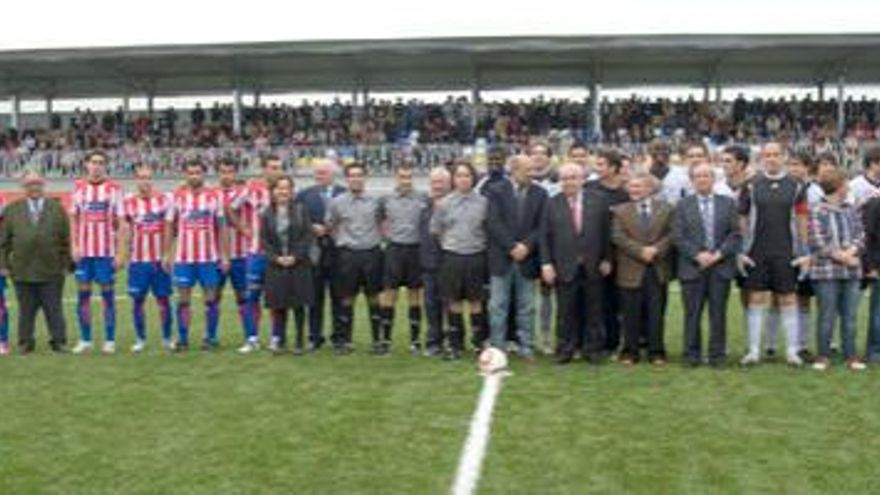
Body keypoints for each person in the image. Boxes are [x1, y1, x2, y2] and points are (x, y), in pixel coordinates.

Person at [738, 142, 810, 366]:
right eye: (767, 154)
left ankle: (791, 351)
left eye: (776, 154)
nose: (771, 158)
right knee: (756, 298)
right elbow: (742, 217)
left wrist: (805, 250)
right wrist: (742, 249)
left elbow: (801, 219)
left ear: (784, 157)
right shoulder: (750, 185)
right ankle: (753, 351)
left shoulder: (797, 186)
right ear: (761, 158)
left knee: (788, 298)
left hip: (786, 251)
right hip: (757, 251)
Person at [540, 162, 611, 364]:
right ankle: (565, 349)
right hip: (564, 266)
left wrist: (607, 258)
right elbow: (544, 237)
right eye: (564, 178)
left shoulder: (599, 200)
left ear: (582, 179)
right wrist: (546, 264)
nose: (569, 182)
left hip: (593, 265)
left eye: (573, 177)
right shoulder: (551, 203)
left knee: (594, 310)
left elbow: (607, 233)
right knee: (565, 312)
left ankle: (593, 350)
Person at [672, 163, 741, 367]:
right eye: (698, 176)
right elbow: (678, 236)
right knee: (692, 314)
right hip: (692, 268)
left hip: (720, 267)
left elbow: (735, 234)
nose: (702, 179)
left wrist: (718, 254)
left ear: (713, 179)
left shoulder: (727, 203)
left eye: (706, 176)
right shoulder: (682, 205)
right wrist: (698, 255)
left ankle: (717, 355)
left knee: (718, 314)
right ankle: (691, 354)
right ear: (692, 181)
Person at [0, 170, 71, 354]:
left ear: (43, 185)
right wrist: (3, 266)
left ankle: (58, 341)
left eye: (37, 183)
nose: (34, 187)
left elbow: (66, 239)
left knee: (53, 308)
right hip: (22, 269)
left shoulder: (56, 208)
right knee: (26, 310)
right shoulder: (12, 210)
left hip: (52, 269)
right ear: (23, 187)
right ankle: (25, 343)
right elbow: (3, 243)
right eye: (30, 184)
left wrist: (66, 264)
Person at [164, 161, 230, 352]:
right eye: (191, 173)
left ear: (203, 174)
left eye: (197, 173)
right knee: (184, 300)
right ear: (186, 175)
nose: (194, 176)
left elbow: (222, 226)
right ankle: (183, 340)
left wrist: (225, 256)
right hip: (184, 259)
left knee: (210, 300)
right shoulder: (176, 197)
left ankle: (210, 338)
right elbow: (169, 225)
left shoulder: (214, 196)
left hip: (208, 258)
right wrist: (166, 254)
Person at [486, 155, 547, 358]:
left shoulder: (540, 193)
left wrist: (526, 246)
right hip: (502, 258)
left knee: (527, 306)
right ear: (513, 169)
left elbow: (542, 226)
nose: (532, 174)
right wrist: (512, 246)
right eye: (527, 170)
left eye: (533, 170)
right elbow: (493, 223)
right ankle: (497, 347)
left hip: (527, 259)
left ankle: (526, 346)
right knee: (498, 306)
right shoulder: (495, 191)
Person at [612, 171, 673, 366]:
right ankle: (630, 351)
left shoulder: (666, 209)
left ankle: (656, 351)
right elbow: (617, 236)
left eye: (638, 186)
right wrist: (641, 251)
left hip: (657, 269)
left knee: (656, 313)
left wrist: (655, 249)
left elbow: (672, 234)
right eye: (631, 186)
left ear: (649, 188)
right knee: (630, 313)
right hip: (631, 268)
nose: (634, 190)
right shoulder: (620, 211)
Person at [808, 169, 867, 371]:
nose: (849, 186)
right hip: (826, 271)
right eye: (846, 183)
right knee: (827, 315)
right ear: (838, 186)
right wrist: (843, 257)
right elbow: (818, 241)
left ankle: (851, 355)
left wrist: (852, 252)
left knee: (850, 316)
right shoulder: (817, 210)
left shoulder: (851, 209)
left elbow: (861, 235)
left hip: (851, 271)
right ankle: (823, 356)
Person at [431, 162, 489, 360]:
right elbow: (437, 231)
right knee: (453, 301)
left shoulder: (483, 202)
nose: (463, 179)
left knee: (476, 302)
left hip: (476, 256)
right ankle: (455, 345)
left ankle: (479, 343)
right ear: (453, 179)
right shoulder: (444, 204)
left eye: (467, 175)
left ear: (473, 178)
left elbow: (487, 230)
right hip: (452, 256)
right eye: (459, 175)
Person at [325, 163, 385, 355]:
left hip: (371, 254)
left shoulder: (376, 202)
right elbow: (331, 226)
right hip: (348, 255)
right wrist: (343, 241)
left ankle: (377, 341)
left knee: (374, 297)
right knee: (346, 298)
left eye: (360, 175)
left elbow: (383, 223)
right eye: (352, 176)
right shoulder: (337, 202)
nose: (356, 179)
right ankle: (345, 341)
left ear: (365, 178)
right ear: (347, 179)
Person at [70, 150, 124, 354]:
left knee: (107, 296)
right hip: (84, 253)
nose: (97, 166)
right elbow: (73, 218)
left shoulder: (114, 189)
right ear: (87, 164)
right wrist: (73, 245)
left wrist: (120, 253)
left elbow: (121, 224)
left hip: (105, 252)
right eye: (94, 162)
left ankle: (109, 340)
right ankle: (85, 339)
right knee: (83, 295)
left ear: (105, 166)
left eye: (101, 162)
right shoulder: (78, 188)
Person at [117, 164, 173, 353]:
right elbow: (124, 231)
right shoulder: (128, 202)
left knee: (163, 300)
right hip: (138, 262)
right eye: (141, 177)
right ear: (136, 180)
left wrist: (167, 254)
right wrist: (123, 255)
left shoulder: (164, 200)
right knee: (137, 301)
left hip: (159, 261)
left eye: (148, 177)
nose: (145, 181)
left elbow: (168, 229)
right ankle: (140, 339)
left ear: (152, 179)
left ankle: (166, 338)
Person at [231, 155, 283, 354]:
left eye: (278, 167)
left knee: (276, 299)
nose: (276, 171)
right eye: (272, 167)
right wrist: (242, 227)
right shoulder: (251, 188)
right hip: (255, 253)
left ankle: (276, 338)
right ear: (264, 169)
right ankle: (251, 338)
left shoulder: (285, 191)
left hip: (278, 255)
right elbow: (230, 207)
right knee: (251, 297)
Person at [378, 165, 430, 354]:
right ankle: (386, 341)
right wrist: (384, 238)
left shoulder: (423, 198)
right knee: (389, 294)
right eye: (402, 177)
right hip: (394, 249)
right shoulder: (385, 200)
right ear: (396, 178)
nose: (406, 181)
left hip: (415, 250)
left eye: (409, 177)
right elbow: (377, 220)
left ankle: (415, 341)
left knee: (415, 295)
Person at [260, 176, 315, 354]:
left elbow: (307, 237)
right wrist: (276, 258)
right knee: (279, 304)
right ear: (273, 191)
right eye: (279, 188)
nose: (282, 192)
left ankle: (300, 341)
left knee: (299, 304)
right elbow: (264, 240)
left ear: (292, 191)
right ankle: (281, 340)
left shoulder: (301, 210)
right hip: (276, 265)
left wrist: (295, 257)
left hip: (298, 264)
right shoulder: (266, 213)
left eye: (286, 188)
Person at [296, 159, 346, 351]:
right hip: (314, 254)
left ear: (333, 174)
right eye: (317, 172)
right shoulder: (303, 196)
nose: (319, 176)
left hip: (338, 253)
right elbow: (297, 222)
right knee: (314, 298)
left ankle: (339, 337)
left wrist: (334, 228)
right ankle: (315, 337)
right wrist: (311, 228)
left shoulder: (344, 193)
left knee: (338, 297)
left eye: (323, 172)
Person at [585, 148, 629, 356]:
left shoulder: (626, 193)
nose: (597, 168)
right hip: (596, 254)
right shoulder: (589, 188)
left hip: (622, 254)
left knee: (618, 301)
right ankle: (597, 342)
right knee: (597, 301)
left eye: (601, 164)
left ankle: (616, 342)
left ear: (613, 168)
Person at [216, 159, 253, 349]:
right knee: (213, 297)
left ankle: (250, 338)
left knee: (243, 297)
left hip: (240, 254)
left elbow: (229, 209)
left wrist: (244, 230)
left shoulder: (243, 191)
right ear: (218, 173)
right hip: (216, 255)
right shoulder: (211, 194)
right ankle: (211, 338)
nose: (227, 175)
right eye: (223, 171)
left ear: (235, 173)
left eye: (230, 171)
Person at [528, 141, 558, 355]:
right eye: (534, 153)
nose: (538, 157)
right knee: (526, 295)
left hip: (552, 245)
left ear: (549, 157)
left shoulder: (557, 181)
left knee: (549, 294)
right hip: (529, 247)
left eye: (542, 153)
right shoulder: (523, 181)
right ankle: (526, 337)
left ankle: (547, 336)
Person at [419, 167, 451, 357]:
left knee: (450, 304)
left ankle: (453, 341)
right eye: (434, 182)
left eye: (441, 182)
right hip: (428, 263)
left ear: (449, 183)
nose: (437, 186)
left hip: (449, 262)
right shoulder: (424, 204)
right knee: (431, 305)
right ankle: (433, 342)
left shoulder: (454, 203)